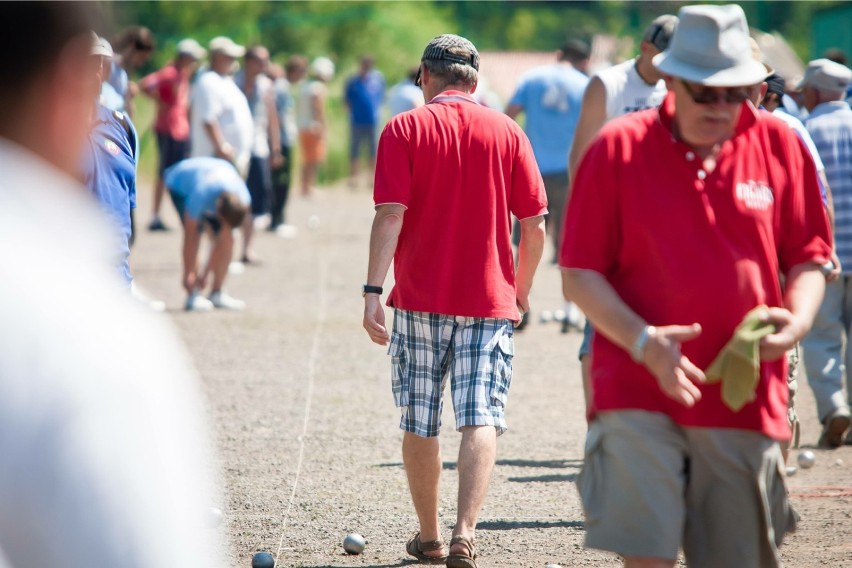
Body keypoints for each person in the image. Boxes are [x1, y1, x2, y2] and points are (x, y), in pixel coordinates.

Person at [559, 5, 832, 567]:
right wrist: (643, 342)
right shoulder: (617, 149)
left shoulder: (781, 145)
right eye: (706, 93)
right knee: (648, 556)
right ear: (671, 81)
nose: (721, 107)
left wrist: (799, 322)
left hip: (743, 393)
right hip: (636, 386)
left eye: (736, 94)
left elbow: (809, 256)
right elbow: (579, 272)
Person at [0, 3, 225, 567]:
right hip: (73, 275)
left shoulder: (118, 119)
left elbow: (120, 203)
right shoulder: (91, 347)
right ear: (70, 76)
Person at [362, 34, 547, 568]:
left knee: (420, 418)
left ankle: (431, 536)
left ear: (425, 75)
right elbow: (534, 224)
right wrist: (522, 289)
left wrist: (373, 292)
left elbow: (390, 213)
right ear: (474, 79)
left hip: (419, 298)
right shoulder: (508, 131)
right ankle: (467, 532)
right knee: (480, 415)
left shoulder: (404, 128)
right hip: (489, 301)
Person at [568, 14, 677, 408]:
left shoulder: (679, 87)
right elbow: (581, 156)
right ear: (646, 48)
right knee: (598, 325)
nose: (669, 72)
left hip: (665, 225)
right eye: (664, 60)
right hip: (613, 221)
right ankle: (597, 422)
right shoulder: (608, 84)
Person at [505, 40, 589, 329]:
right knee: (566, 241)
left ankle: (518, 304)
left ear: (558, 54)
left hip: (533, 168)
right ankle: (569, 310)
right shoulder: (585, 85)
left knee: (525, 238)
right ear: (584, 61)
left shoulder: (532, 78)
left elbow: (509, 115)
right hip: (568, 171)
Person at [797, 58, 852, 448]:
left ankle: (834, 406)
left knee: (821, 335)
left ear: (814, 93)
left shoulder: (805, 130)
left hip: (826, 251)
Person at [83, 35, 139, 289]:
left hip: (118, 278)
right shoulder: (41, 133)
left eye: (96, 62)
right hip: (68, 276)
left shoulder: (123, 126)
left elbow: (127, 202)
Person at [164, 157, 251, 311]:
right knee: (196, 234)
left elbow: (224, 237)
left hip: (214, 175)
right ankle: (193, 294)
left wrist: (206, 274)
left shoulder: (243, 197)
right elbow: (190, 238)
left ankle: (216, 292)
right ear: (218, 212)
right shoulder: (201, 194)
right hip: (179, 183)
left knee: (229, 238)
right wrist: (188, 274)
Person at [140, 38, 206, 232]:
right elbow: (145, 84)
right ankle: (155, 215)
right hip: (168, 128)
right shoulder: (169, 73)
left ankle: (181, 213)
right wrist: (159, 101)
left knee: (177, 171)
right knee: (164, 173)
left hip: (179, 129)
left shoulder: (183, 74)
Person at [235, 45, 282, 263]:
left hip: (258, 147)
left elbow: (272, 118)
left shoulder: (266, 86)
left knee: (255, 199)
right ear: (249, 61)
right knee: (231, 199)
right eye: (261, 60)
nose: (265, 65)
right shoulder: (233, 82)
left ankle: (247, 248)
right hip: (235, 148)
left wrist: (276, 148)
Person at [189, 36, 253, 179]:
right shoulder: (208, 81)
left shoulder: (225, 81)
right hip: (217, 161)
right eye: (229, 57)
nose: (233, 61)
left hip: (229, 160)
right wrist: (222, 148)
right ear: (217, 57)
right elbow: (208, 119)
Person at [269, 55, 307, 233]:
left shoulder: (283, 86)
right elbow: (277, 115)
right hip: (282, 139)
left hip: (285, 138)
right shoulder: (281, 87)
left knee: (281, 179)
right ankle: (277, 219)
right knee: (281, 181)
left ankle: (278, 217)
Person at [344, 55, 385, 188]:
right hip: (356, 120)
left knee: (373, 151)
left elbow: (381, 98)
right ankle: (353, 178)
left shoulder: (377, 80)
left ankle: (371, 179)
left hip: (372, 120)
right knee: (355, 150)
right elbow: (346, 101)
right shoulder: (353, 81)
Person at [297, 56, 334, 197]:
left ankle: (304, 186)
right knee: (313, 159)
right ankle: (309, 187)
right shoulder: (318, 88)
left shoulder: (305, 85)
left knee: (306, 158)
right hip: (314, 127)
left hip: (303, 126)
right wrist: (323, 126)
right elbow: (318, 109)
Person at [106, 25, 155, 118]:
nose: (140, 63)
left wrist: (128, 97)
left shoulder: (122, 73)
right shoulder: (105, 63)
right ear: (132, 47)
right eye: (141, 58)